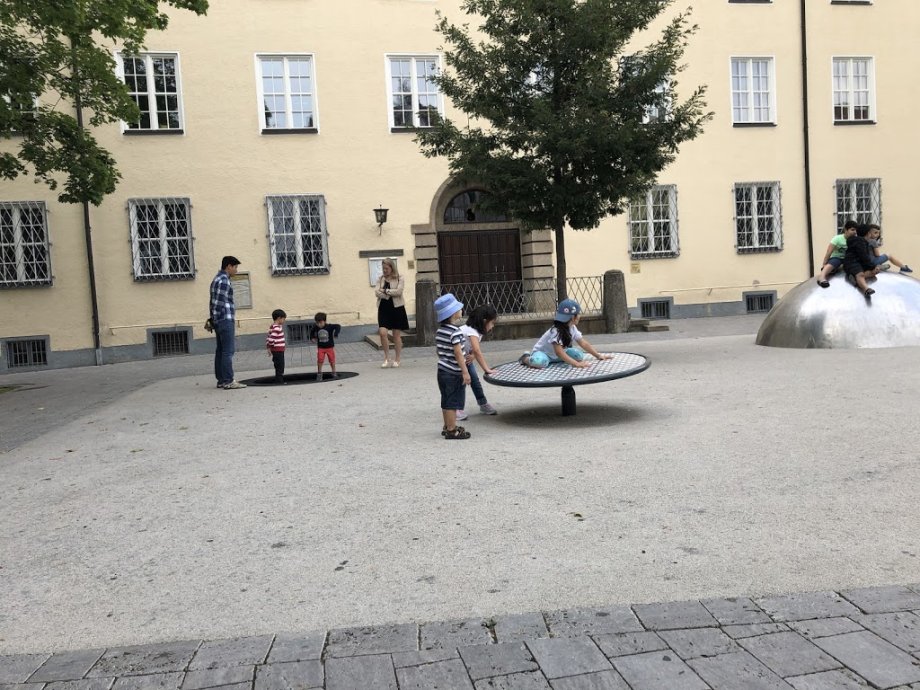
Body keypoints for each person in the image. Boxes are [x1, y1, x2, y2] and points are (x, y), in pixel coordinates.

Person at [519, 298, 613, 368]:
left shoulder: (572, 328)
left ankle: (557, 361)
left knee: (579, 356)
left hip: (558, 355)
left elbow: (583, 343)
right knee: (538, 363)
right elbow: (559, 352)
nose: (580, 316)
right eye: (578, 314)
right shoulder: (556, 331)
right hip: (545, 354)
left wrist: (598, 355)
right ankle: (525, 358)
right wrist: (576, 364)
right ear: (573, 317)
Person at [434, 293, 471, 440]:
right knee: (452, 401)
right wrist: (465, 371)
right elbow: (458, 353)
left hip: (442, 370)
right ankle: (451, 430)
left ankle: (447, 425)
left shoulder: (440, 331)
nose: (461, 310)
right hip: (453, 372)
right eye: (459, 309)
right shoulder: (455, 332)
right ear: (453, 313)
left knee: (446, 399)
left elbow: (438, 350)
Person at [210, 256, 246, 389]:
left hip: (219, 320)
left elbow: (212, 303)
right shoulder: (224, 280)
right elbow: (219, 303)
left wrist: (213, 319)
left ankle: (221, 380)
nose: (236, 270)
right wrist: (219, 318)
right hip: (225, 319)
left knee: (220, 350)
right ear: (228, 266)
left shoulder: (216, 279)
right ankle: (228, 380)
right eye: (235, 267)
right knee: (228, 351)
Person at [458, 304, 499, 420]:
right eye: (492, 323)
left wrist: (472, 356)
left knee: (475, 381)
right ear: (485, 321)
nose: (492, 326)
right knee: (461, 383)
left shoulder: (476, 332)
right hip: (456, 361)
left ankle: (483, 404)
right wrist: (487, 369)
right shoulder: (472, 331)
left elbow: (472, 350)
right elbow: (477, 350)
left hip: (465, 360)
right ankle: (457, 408)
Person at [374, 258, 409, 368]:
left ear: (392, 267)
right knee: (382, 332)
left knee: (396, 335)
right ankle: (386, 357)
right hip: (383, 308)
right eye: (383, 268)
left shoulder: (399, 277)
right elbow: (376, 292)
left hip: (397, 308)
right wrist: (388, 294)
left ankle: (397, 358)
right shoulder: (380, 278)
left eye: (386, 268)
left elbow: (399, 291)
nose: (384, 270)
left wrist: (385, 291)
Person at [816, 220, 858, 288]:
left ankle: (854, 279)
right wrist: (824, 264)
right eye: (852, 230)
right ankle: (822, 278)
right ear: (846, 230)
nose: (855, 232)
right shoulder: (837, 238)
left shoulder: (856, 240)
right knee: (832, 263)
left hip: (848, 259)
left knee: (853, 266)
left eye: (856, 230)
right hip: (837, 257)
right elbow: (829, 251)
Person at [843, 224, 881, 297]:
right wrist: (872, 266)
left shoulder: (863, 241)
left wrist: (873, 268)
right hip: (852, 262)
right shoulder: (860, 242)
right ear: (868, 233)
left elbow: (865, 258)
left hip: (859, 262)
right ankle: (866, 289)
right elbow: (864, 256)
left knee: (875, 271)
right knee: (860, 274)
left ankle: (855, 278)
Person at [310, 312, 341, 381]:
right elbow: (312, 331)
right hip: (321, 348)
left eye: (320, 323)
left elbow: (338, 326)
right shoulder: (316, 327)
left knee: (332, 360)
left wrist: (336, 333)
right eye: (317, 323)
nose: (319, 325)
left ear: (325, 321)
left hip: (329, 347)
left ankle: (333, 372)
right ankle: (319, 373)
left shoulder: (329, 326)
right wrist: (312, 337)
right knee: (320, 360)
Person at [266, 309, 287, 384]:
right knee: (280, 366)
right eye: (283, 319)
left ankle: (278, 380)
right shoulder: (277, 328)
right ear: (279, 318)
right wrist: (271, 346)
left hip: (276, 350)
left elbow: (268, 337)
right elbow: (271, 339)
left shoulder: (272, 326)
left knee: (278, 365)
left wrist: (268, 348)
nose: (284, 321)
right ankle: (279, 381)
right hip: (278, 350)